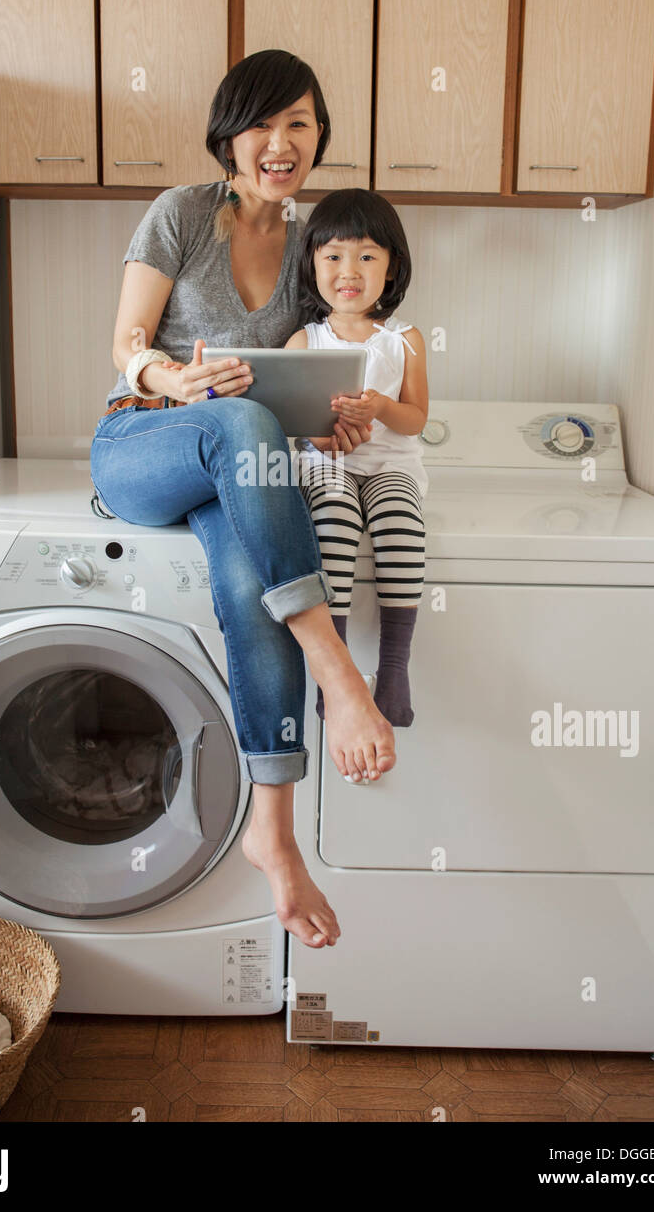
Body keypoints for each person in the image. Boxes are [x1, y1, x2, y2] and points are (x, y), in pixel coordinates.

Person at [90, 51, 395, 949]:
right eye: (264, 123)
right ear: (230, 134)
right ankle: (339, 672)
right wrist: (178, 381)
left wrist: (331, 422)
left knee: (251, 576)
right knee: (237, 422)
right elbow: (124, 342)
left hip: (243, 464)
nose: (281, 142)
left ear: (318, 140)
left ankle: (272, 825)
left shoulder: (313, 243)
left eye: (300, 124)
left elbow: (293, 379)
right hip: (142, 441)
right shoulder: (182, 213)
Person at [286, 190, 428, 757]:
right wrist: (319, 431)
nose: (350, 271)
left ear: (391, 264)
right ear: (313, 264)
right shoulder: (306, 339)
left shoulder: (405, 340)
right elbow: (293, 420)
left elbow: (416, 419)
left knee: (400, 516)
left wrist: (379, 407)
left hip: (391, 465)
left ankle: (394, 670)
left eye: (367, 256)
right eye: (334, 256)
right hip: (330, 465)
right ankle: (336, 669)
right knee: (335, 515)